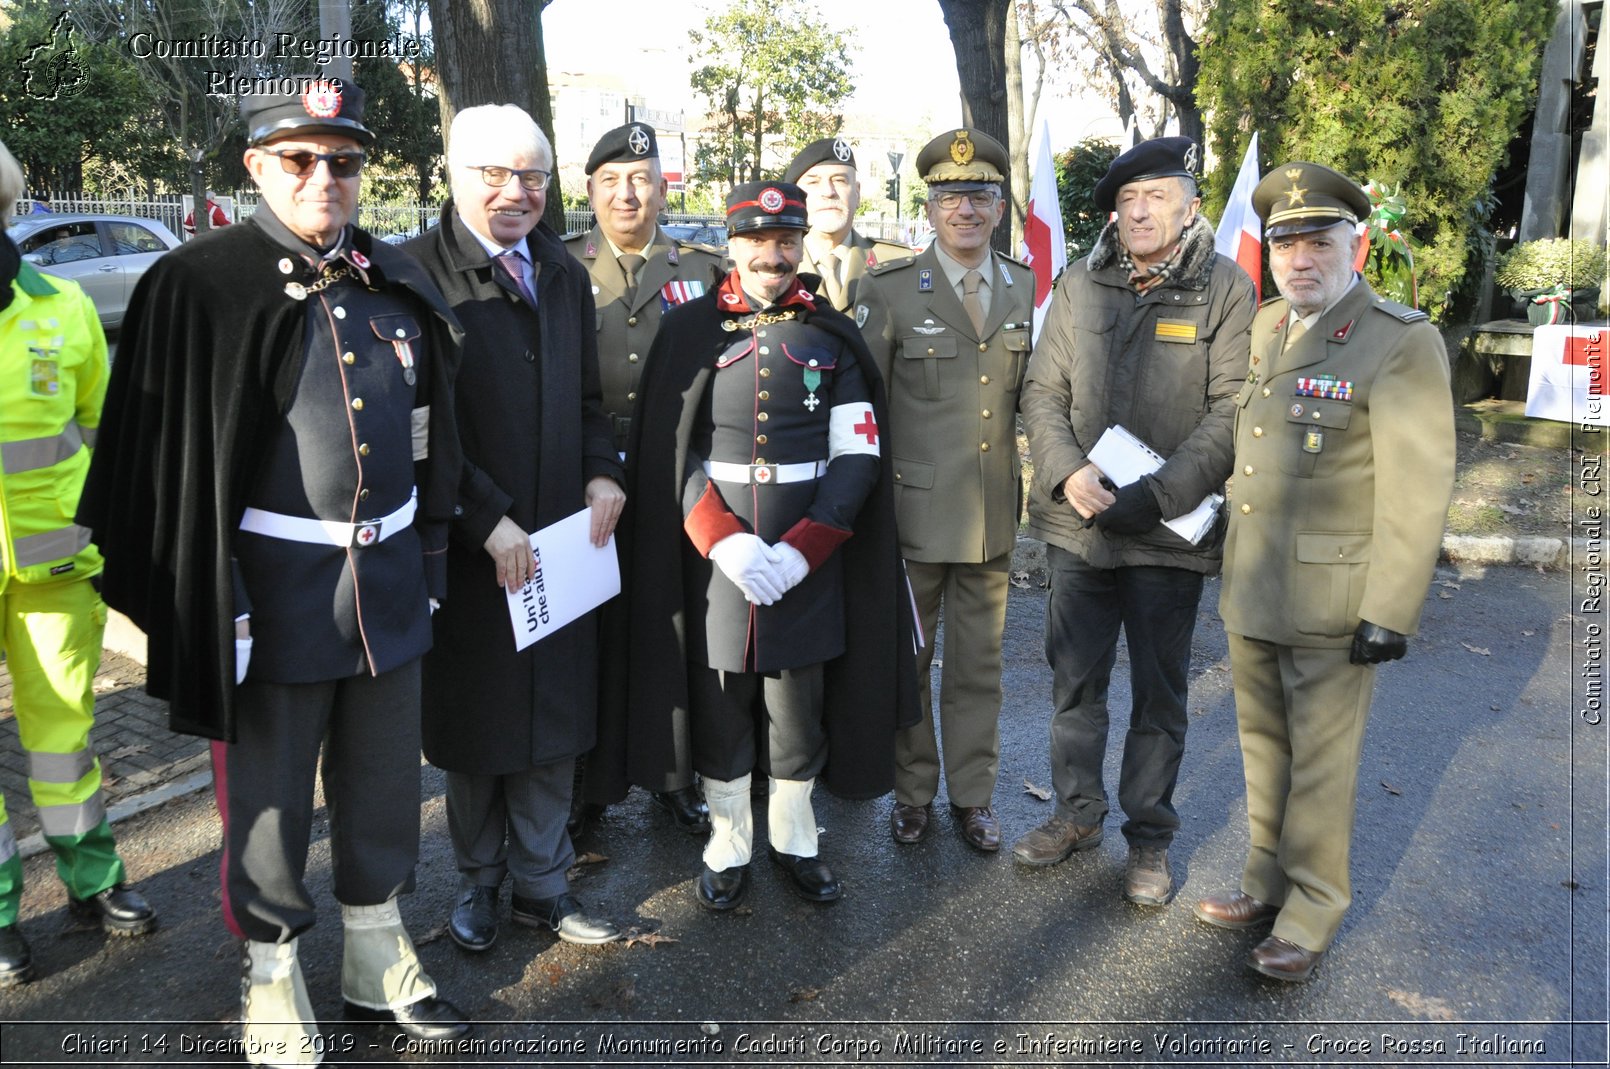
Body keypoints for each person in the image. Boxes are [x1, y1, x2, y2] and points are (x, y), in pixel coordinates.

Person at [76, 82, 469, 1060]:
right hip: (267, 602)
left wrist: (425, 563)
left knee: (382, 788)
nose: (322, 179)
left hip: (388, 597)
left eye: (341, 161)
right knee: (268, 806)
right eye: (298, 159)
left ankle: (377, 959)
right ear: (254, 167)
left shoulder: (394, 278)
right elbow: (163, 467)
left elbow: (429, 436)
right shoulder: (199, 284)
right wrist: (219, 604)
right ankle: (269, 973)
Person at [623, 181, 917, 911]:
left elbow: (858, 454)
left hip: (805, 561)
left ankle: (795, 836)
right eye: (757, 241)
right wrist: (720, 541)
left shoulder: (832, 334)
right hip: (716, 566)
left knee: (797, 703)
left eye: (786, 242)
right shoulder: (687, 329)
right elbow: (669, 451)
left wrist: (805, 547)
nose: (773, 256)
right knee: (721, 702)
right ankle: (728, 839)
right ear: (733, 245)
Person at [1194, 162, 1455, 981]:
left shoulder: (1399, 340)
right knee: (1264, 749)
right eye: (1287, 245)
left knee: (1322, 763)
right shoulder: (1270, 327)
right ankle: (1263, 883)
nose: (1301, 260)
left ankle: (1311, 911)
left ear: (1359, 244)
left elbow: (1419, 487)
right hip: (1255, 585)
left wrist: (1391, 609)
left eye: (1319, 242)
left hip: (1336, 597)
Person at [403, 104, 624, 954]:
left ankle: (544, 883)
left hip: (562, 544)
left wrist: (604, 469)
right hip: (472, 551)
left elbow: (588, 401)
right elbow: (418, 428)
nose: (514, 192)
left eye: (531, 175)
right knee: (479, 728)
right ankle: (478, 884)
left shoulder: (562, 273)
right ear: (454, 174)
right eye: (492, 173)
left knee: (551, 721)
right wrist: (485, 519)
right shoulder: (416, 272)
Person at [1015, 137, 1254, 906]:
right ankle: (1075, 814)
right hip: (1079, 524)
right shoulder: (1079, 285)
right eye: (1127, 199)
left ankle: (1148, 838)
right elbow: (1041, 394)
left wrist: (1157, 493)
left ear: (1189, 205)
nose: (1140, 210)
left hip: (1165, 531)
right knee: (1074, 684)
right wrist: (1066, 470)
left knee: (1160, 693)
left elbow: (1231, 411)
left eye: (1157, 195)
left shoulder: (1226, 288)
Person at [0, 138, 156, 989]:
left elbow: (104, 435)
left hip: (57, 565)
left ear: (12, 208)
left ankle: (94, 880)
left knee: (63, 740)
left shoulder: (61, 307)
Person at [854, 128, 1034, 853]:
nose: (965, 209)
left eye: (981, 196)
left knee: (979, 667)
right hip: (913, 516)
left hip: (991, 516)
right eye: (951, 196)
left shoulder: (1023, 286)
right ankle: (913, 794)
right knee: (912, 662)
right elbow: (864, 410)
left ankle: (975, 799)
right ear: (929, 210)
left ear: (999, 210)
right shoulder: (890, 290)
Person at [562, 122, 722, 836]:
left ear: (662, 188)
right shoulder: (561, 268)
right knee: (585, 632)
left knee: (669, 628)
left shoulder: (705, 271)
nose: (628, 194)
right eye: (611, 181)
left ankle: (670, 774)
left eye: (641, 179)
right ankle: (585, 783)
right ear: (589, 191)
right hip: (578, 480)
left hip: (669, 477)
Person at [783, 136, 911, 313]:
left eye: (840, 180)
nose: (828, 192)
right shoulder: (776, 264)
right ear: (795, 196)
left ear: (857, 193)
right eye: (813, 182)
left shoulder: (897, 263)